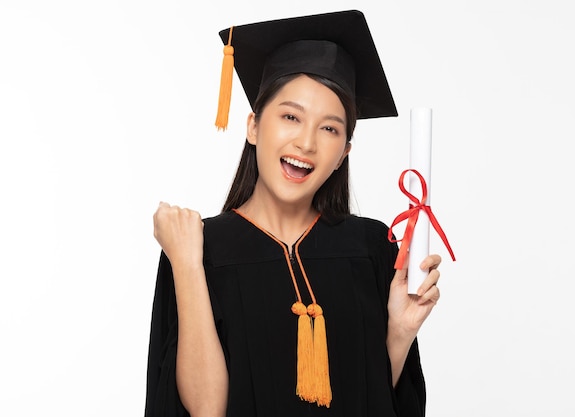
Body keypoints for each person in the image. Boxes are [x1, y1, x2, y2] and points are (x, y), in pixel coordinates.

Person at [145, 10, 443, 417]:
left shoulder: (372, 248)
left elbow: (373, 399)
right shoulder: (200, 248)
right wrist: (187, 263)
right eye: (290, 117)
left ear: (344, 154)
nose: (306, 142)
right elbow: (206, 410)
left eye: (330, 128)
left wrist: (400, 331)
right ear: (253, 127)